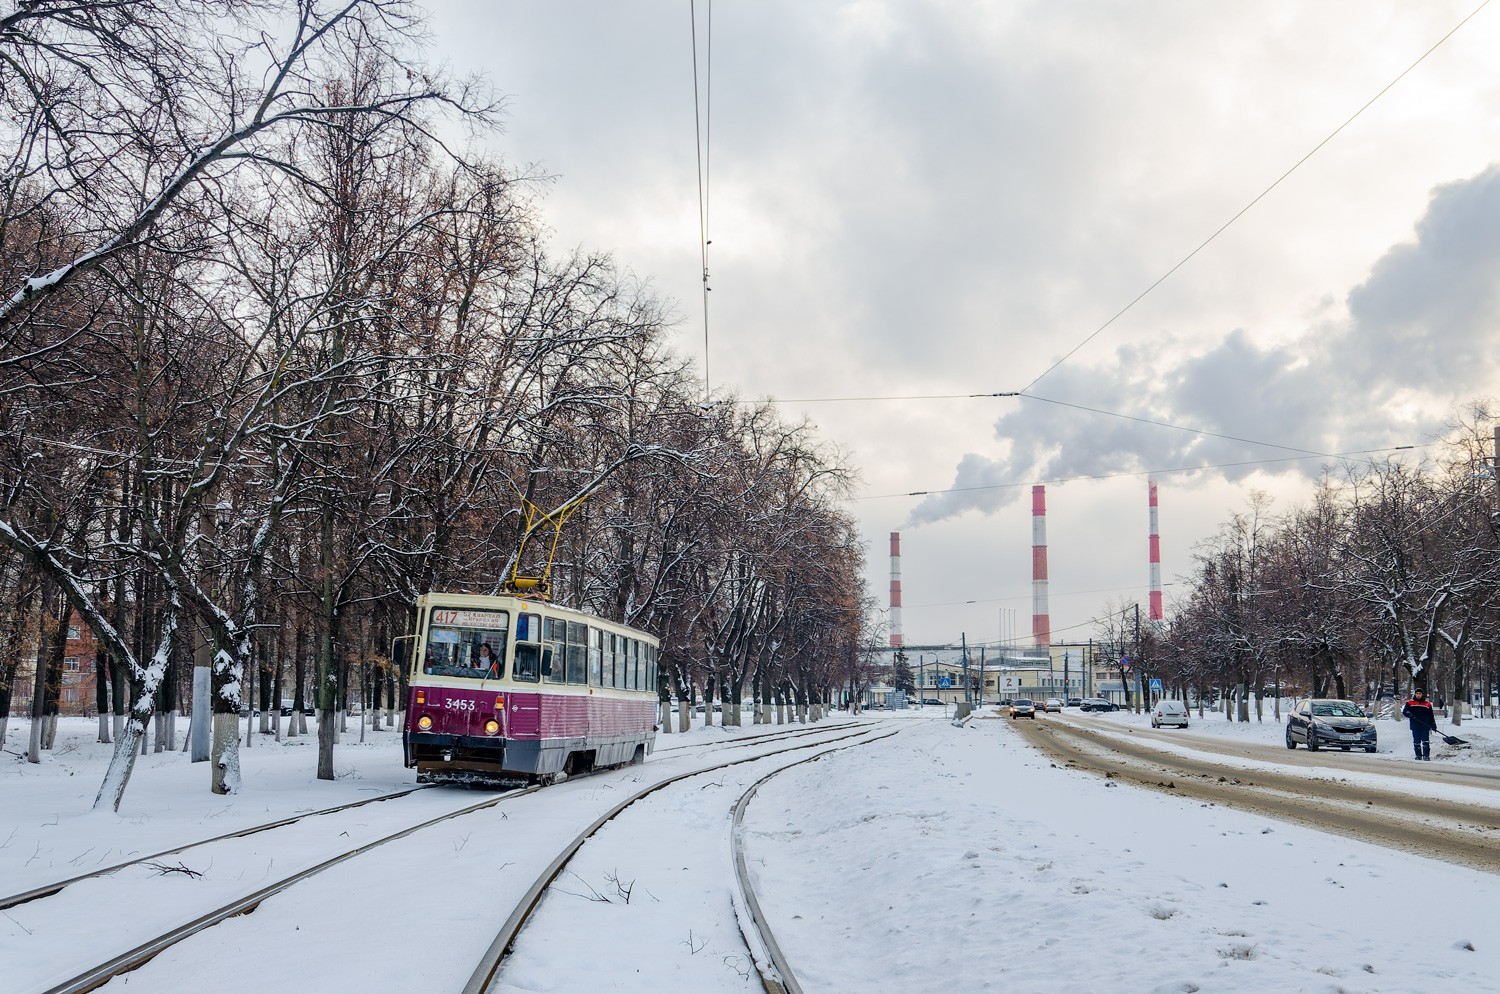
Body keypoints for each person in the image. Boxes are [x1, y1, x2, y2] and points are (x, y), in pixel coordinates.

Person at [1402, 687, 1437, 761]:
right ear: (1415, 694)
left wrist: (1433, 724)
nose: (1418, 695)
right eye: (1417, 694)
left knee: (1425, 741)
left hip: (1425, 725)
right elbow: (1405, 711)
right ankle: (1418, 755)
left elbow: (1431, 715)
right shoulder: (1410, 703)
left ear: (1422, 695)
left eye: (1420, 694)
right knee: (1416, 741)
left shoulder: (1427, 704)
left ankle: (1426, 755)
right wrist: (1409, 714)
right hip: (1415, 725)